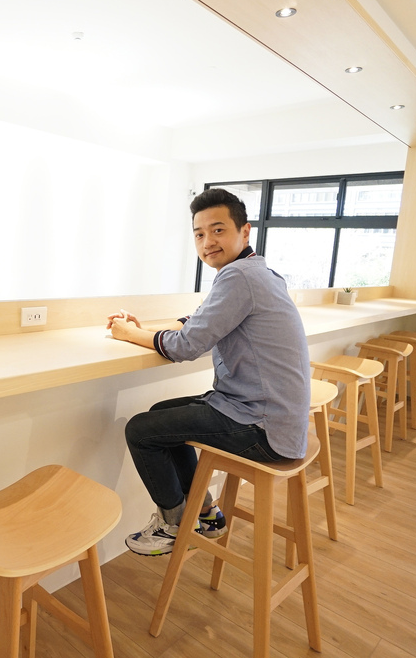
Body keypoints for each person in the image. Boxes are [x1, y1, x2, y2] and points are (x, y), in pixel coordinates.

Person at [107, 187, 310, 556]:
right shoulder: (258, 272)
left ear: (244, 231)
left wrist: (130, 334)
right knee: (161, 416)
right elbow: (200, 319)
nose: (207, 242)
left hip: (262, 426)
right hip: (277, 418)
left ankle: (174, 526)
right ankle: (206, 514)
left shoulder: (238, 277)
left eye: (218, 230)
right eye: (199, 234)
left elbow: (185, 346)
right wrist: (143, 330)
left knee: (140, 430)